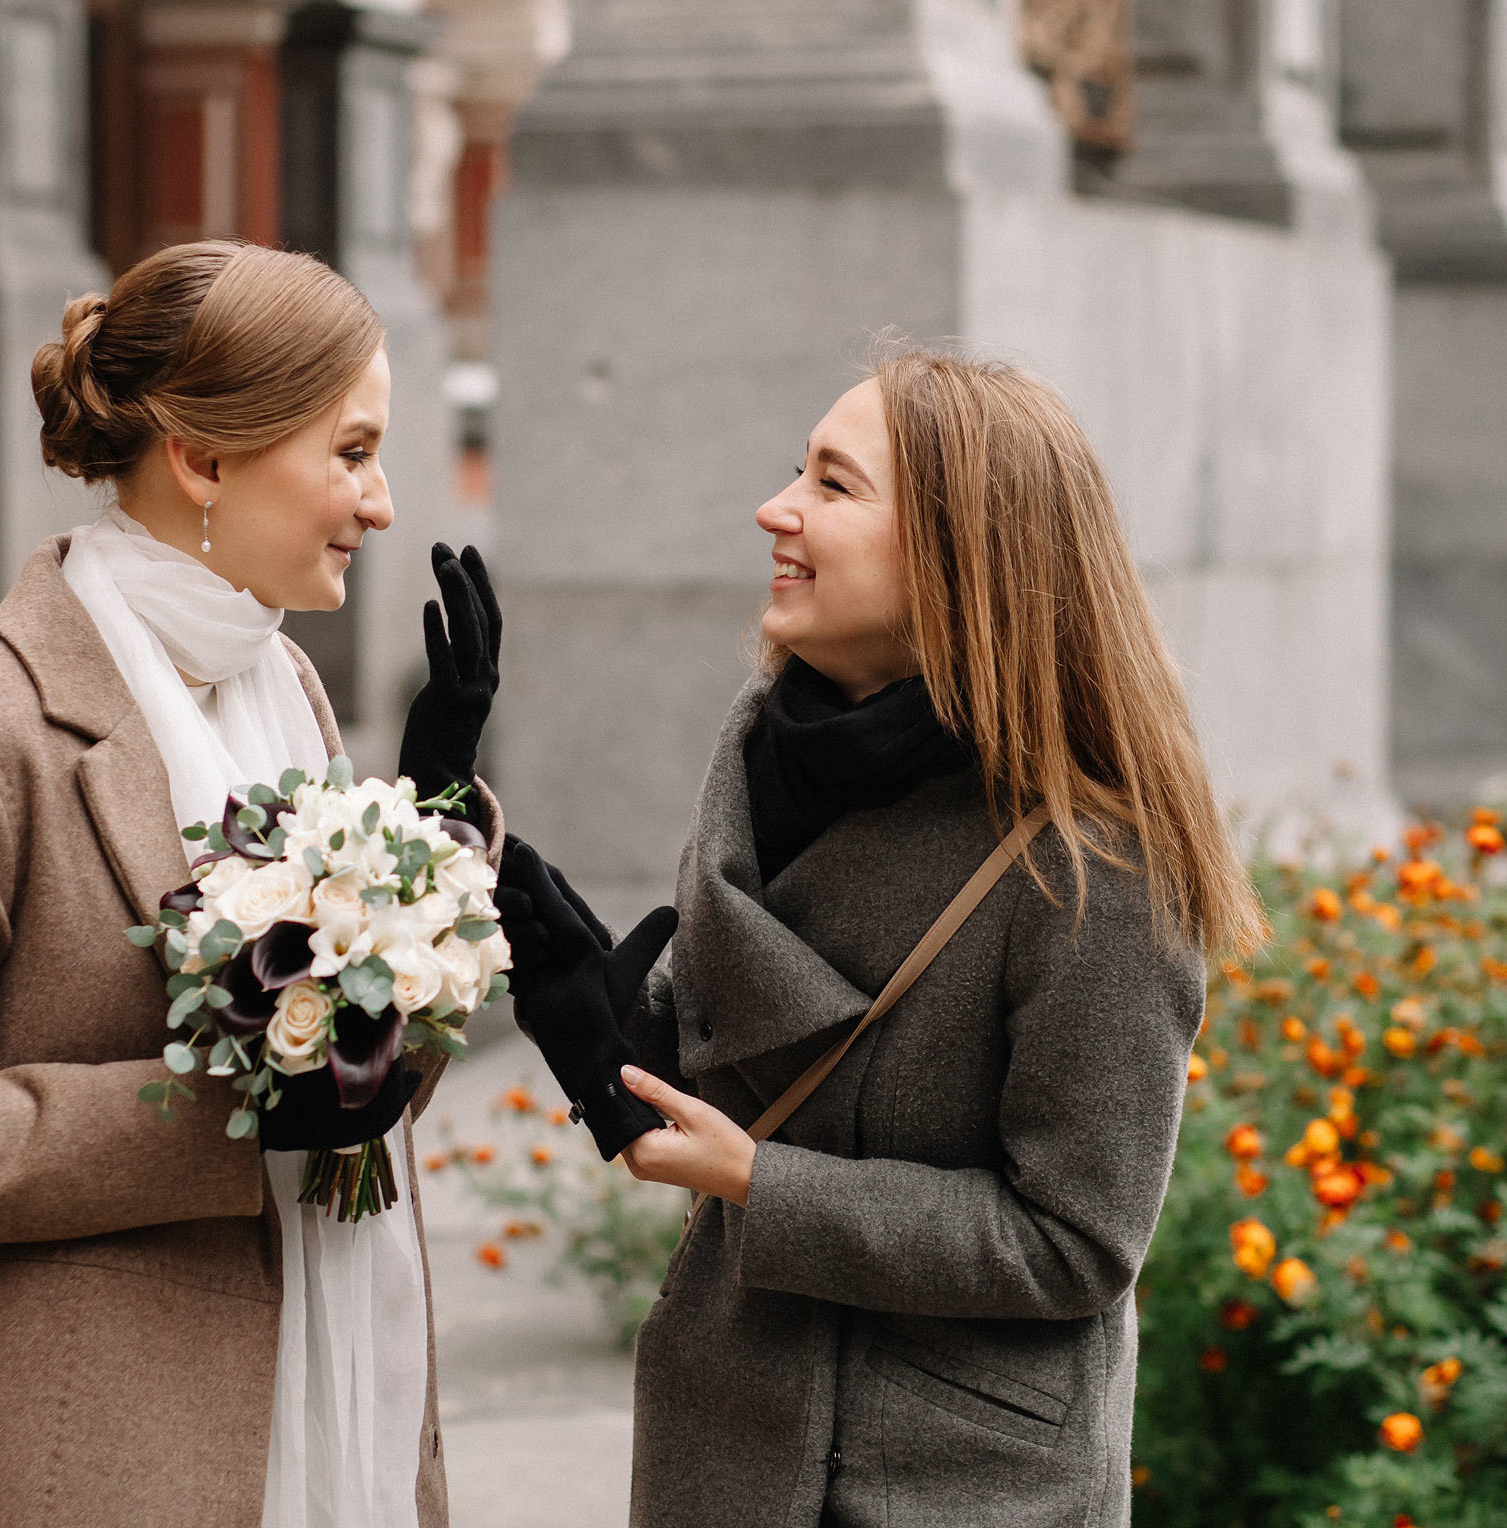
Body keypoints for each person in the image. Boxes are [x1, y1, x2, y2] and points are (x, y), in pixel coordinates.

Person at [500, 345, 1265, 1527]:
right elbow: (759, 1068)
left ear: (966, 556)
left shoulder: (1093, 867)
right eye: (791, 472)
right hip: (727, 1431)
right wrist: (591, 1016)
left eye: (832, 485)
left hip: (948, 1479)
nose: (776, 510)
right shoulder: (775, 751)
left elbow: (1074, 1241)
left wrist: (765, 1184)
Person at [0, 240, 500, 1527]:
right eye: (351, 453)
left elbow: (365, 1097)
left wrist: (437, 838)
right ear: (204, 460)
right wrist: (234, 1112)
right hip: (79, 1455)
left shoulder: (281, 683)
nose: (385, 502)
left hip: (321, 1410)